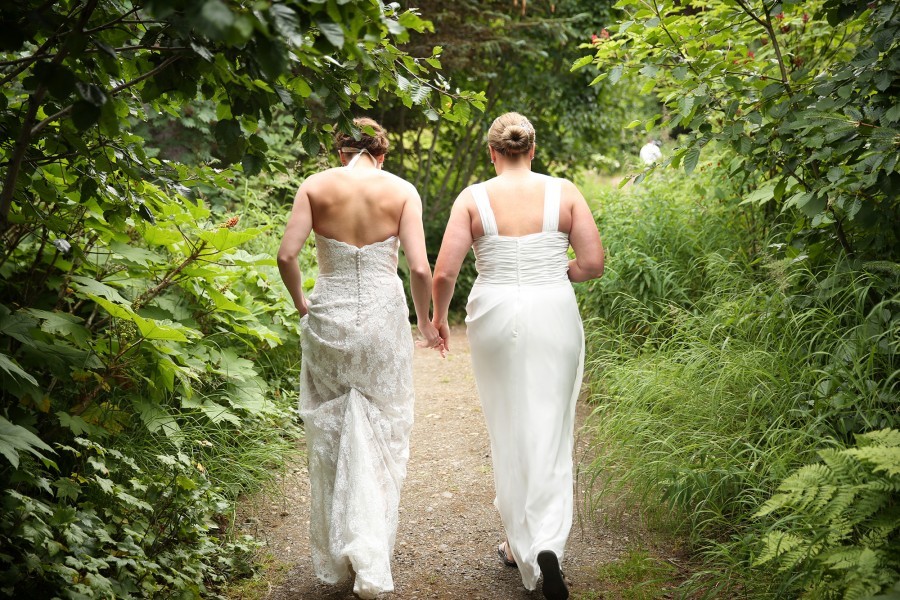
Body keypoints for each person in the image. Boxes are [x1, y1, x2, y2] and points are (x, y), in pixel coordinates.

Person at [430, 112, 604, 600]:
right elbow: (593, 264)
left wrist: (439, 319)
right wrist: (557, 271)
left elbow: (445, 273)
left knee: (507, 426)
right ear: (532, 149)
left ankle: (519, 544)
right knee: (551, 426)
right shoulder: (564, 192)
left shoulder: (473, 198)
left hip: (495, 314)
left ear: (492, 152)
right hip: (553, 309)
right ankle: (548, 541)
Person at [277, 117, 443, 599]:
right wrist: (424, 321)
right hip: (380, 320)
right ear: (381, 153)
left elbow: (287, 256)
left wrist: (302, 305)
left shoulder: (315, 186)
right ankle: (372, 546)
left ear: (340, 150)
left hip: (328, 318)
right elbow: (417, 266)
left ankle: (341, 551)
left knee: (331, 429)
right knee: (383, 427)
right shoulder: (401, 190)